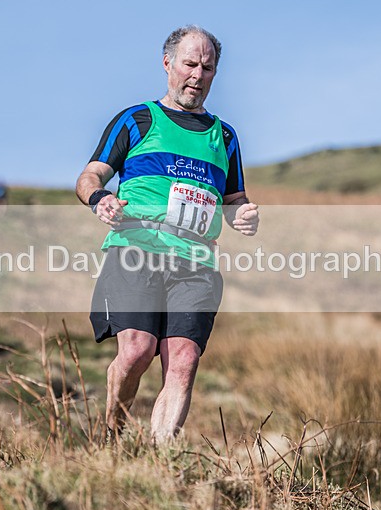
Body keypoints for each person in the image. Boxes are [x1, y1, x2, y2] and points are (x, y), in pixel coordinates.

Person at [75, 25, 259, 444]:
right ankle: (111, 437)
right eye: (190, 64)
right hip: (136, 250)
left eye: (207, 67)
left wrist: (243, 216)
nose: (197, 75)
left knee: (183, 362)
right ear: (168, 64)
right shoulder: (137, 119)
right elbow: (89, 175)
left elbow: (234, 201)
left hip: (196, 263)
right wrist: (99, 198)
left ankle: (162, 458)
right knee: (137, 351)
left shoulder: (224, 136)